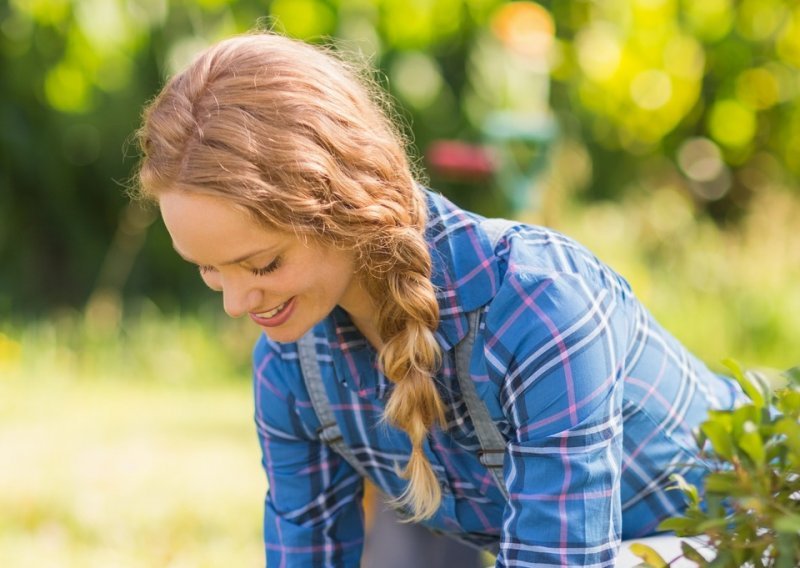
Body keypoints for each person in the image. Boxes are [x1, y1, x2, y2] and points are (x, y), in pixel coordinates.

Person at [134, 32, 745, 567]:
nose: (237, 303)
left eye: (262, 263)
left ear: (341, 205)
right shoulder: (292, 363)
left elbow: (559, 560)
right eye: (210, 272)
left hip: (745, 530)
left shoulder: (540, 310)